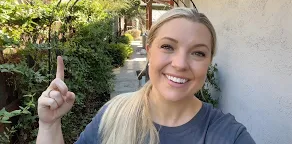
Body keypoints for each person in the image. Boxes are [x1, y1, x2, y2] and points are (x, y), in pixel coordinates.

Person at [36, 8, 256, 144]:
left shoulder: (228, 136)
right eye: (168, 46)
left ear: (208, 62)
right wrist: (49, 126)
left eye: (198, 53)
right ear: (149, 50)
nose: (179, 64)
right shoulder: (114, 114)